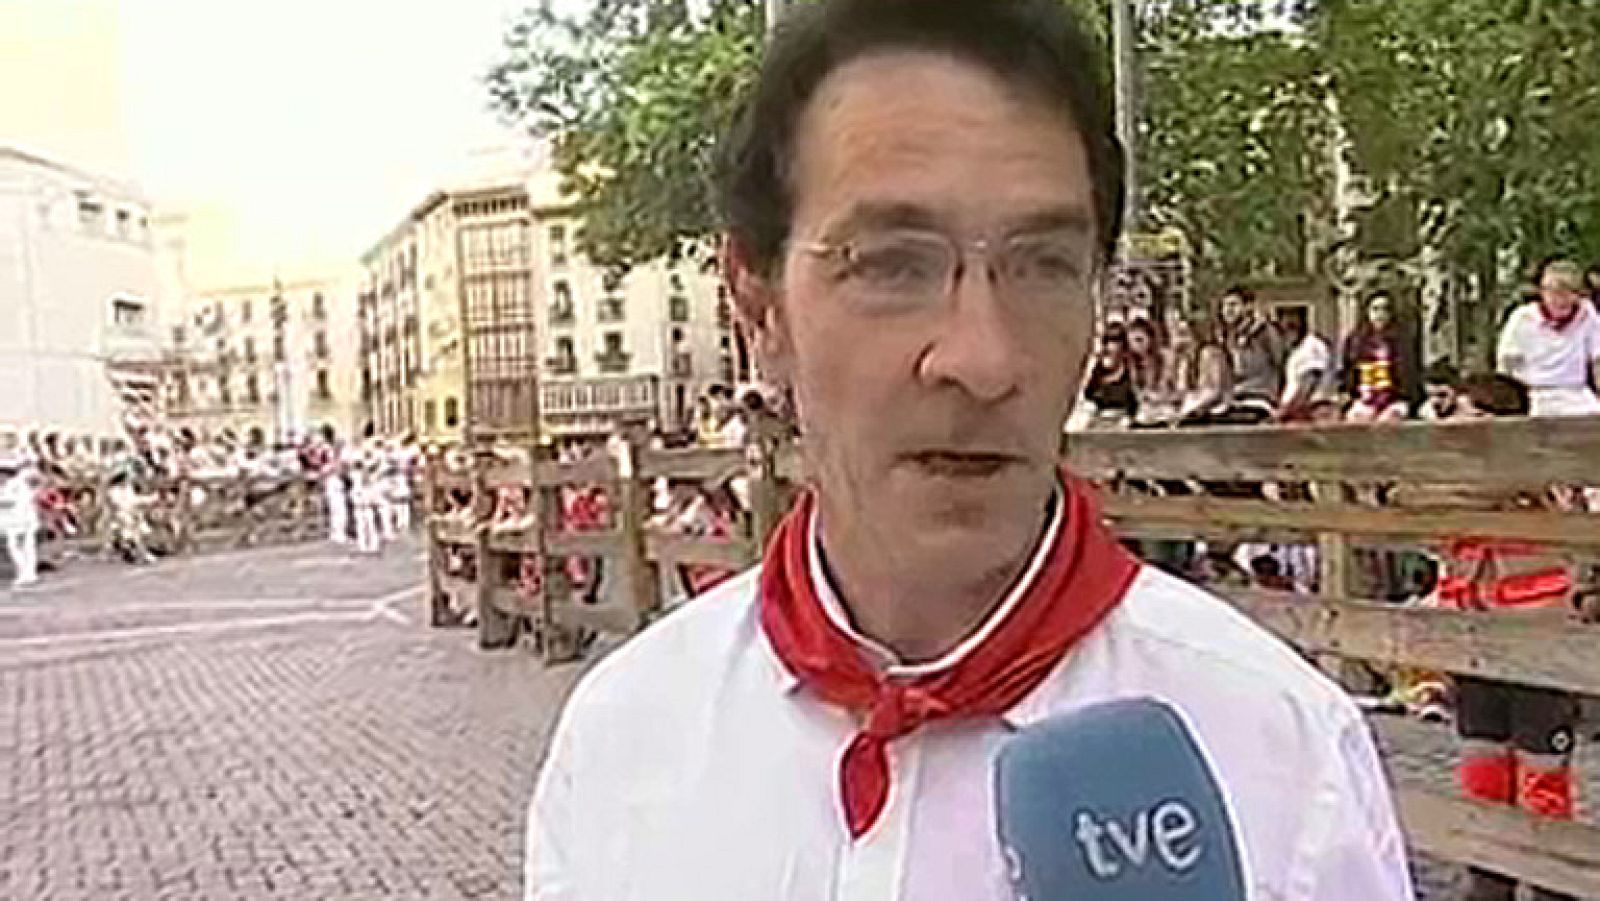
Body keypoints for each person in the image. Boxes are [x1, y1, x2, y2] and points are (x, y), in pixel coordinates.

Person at [524, 1, 1412, 898]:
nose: (983, 360)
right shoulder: (622, 743)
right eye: (892, 264)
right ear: (760, 310)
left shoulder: (1284, 757)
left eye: (1042, 265)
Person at [1417, 374, 1589, 901]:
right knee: (1481, 761)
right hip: (1475, 634)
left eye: (1470, 414)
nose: (1457, 426)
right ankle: (1489, 876)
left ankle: (1548, 881)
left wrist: (1441, 485)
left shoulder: (1532, 470)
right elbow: (1412, 503)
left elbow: (1473, 490)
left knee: (1541, 768)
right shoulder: (1454, 481)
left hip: (1537, 636)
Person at [1497, 258, 1600, 418]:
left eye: (1566, 293)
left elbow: (1597, 360)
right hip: (1535, 394)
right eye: (1552, 292)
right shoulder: (1522, 318)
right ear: (1542, 292)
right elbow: (1506, 366)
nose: (1558, 300)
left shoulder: (1587, 314)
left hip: (1575, 393)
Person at [1341, 291, 1419, 423]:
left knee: (1390, 420)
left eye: (1385, 309)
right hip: (1365, 399)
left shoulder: (1403, 341)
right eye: (1375, 309)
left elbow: (1409, 378)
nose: (1380, 314)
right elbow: (1348, 374)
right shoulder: (1355, 341)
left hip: (1394, 401)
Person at [1217, 285, 1287, 421]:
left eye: (1233, 305)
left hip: (1259, 399)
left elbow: (1282, 364)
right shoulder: (1227, 338)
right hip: (1234, 400)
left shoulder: (1266, 332)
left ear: (1248, 307)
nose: (1227, 310)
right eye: (1224, 306)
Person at [1277, 306, 1332, 422]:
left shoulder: (1312, 345)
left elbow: (1308, 383)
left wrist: (1285, 412)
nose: (1287, 324)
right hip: (1292, 411)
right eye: (1284, 321)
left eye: (1293, 321)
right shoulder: (1292, 350)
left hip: (1312, 410)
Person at [1080, 324, 1138, 425]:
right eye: (1107, 341)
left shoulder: (1131, 370)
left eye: (1115, 341)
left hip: (1123, 421)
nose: (1109, 347)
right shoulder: (1096, 370)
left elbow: (1135, 403)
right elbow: (1085, 396)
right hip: (1098, 420)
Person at [1, 457, 41, 589]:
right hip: (12, 522)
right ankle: (25, 572)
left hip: (24, 520)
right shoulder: (8, 485)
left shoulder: (17, 484)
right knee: (15, 547)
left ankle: (28, 573)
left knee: (26, 546)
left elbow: (15, 501)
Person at [1417, 360, 1482, 422]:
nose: (1435, 401)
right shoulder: (1426, 410)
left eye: (1442, 395)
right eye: (1429, 395)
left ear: (1457, 392)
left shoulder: (1467, 406)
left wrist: (1470, 412)